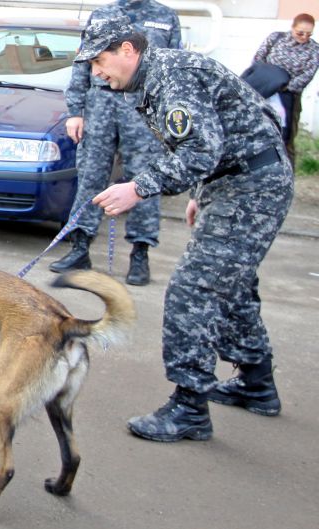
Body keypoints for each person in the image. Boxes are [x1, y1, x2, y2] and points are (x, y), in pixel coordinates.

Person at [76, 16, 293, 442]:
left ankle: (189, 408)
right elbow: (229, 127)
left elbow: (199, 148)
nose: (95, 71)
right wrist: (200, 191)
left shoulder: (172, 77)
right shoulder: (160, 73)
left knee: (194, 291)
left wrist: (137, 188)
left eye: (100, 60)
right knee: (231, 284)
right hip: (237, 180)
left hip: (251, 188)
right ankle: (256, 384)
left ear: (127, 51)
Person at [49, 0, 181, 287]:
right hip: (100, 104)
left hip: (143, 107)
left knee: (145, 179)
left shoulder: (165, 16)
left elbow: (173, 69)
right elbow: (83, 62)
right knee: (91, 177)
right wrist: (75, 111)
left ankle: (140, 253)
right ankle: (80, 248)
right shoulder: (103, 14)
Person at [252, 13, 319, 165]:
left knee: (286, 138)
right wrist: (268, 79)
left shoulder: (314, 50)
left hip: (289, 96)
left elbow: (307, 75)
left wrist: (283, 86)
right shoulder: (276, 38)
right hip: (265, 91)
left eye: (308, 34)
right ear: (292, 28)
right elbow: (259, 58)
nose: (304, 37)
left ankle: (287, 175)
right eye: (300, 32)